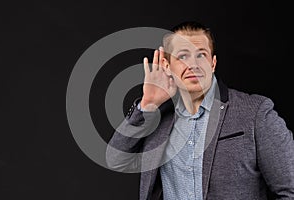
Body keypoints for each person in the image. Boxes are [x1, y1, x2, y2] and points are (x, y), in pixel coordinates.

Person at [106, 20, 294, 200]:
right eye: (182, 56)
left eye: (201, 54)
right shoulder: (158, 118)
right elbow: (116, 158)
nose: (193, 64)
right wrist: (147, 104)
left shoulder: (255, 113)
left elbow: (290, 189)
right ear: (166, 65)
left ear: (213, 63)